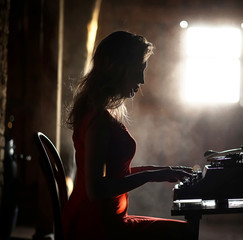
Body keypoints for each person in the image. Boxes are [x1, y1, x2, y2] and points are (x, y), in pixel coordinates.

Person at [64, 30, 193, 240]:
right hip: (98, 225)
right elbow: (95, 190)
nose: (142, 80)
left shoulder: (98, 113)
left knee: (181, 230)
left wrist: (163, 171)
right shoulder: (98, 121)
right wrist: (151, 176)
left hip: (105, 218)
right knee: (184, 233)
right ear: (115, 67)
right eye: (138, 69)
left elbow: (116, 174)